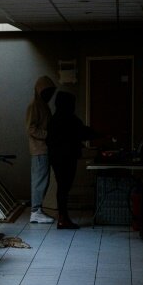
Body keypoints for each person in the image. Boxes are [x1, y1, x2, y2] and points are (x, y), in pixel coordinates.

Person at [47, 91, 101, 229]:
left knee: (62, 187)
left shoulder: (54, 119)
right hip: (67, 157)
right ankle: (63, 219)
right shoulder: (70, 119)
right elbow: (82, 132)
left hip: (55, 157)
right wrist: (101, 134)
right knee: (65, 187)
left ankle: (62, 218)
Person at [25, 75, 57, 224]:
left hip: (43, 149)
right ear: (40, 91)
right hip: (39, 149)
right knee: (39, 181)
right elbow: (31, 128)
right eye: (47, 91)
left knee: (42, 181)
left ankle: (37, 210)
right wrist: (48, 135)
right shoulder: (35, 106)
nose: (49, 95)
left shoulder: (42, 105)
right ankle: (36, 211)